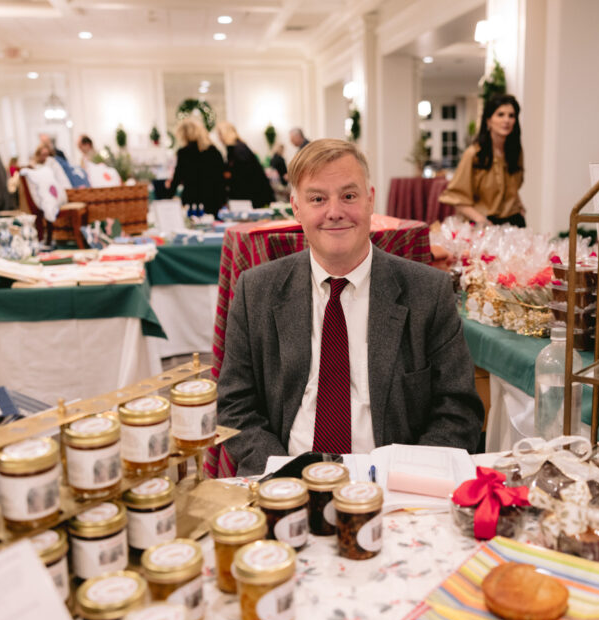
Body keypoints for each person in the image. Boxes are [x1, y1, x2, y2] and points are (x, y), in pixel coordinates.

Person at [217, 139, 484, 475]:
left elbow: (458, 410)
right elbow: (235, 405)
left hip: (394, 484)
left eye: (348, 196)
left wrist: (404, 477)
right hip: (284, 479)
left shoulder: (428, 293)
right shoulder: (256, 291)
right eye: (318, 199)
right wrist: (283, 476)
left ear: (370, 199)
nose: (335, 212)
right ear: (296, 207)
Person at [439, 93, 525, 227]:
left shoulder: (515, 152)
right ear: (488, 120)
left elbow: (512, 188)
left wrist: (520, 208)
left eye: (511, 115)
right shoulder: (474, 154)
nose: (506, 120)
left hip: (514, 223)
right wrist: (480, 220)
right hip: (486, 224)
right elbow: (455, 196)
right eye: (500, 114)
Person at [164, 118, 226, 216]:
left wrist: (167, 199)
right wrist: (223, 200)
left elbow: (177, 177)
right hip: (212, 200)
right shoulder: (214, 151)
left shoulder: (184, 153)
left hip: (192, 201)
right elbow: (221, 178)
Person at [217, 121, 274, 208]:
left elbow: (244, 176)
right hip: (252, 196)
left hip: (251, 198)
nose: (219, 138)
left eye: (219, 134)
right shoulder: (238, 147)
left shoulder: (238, 150)